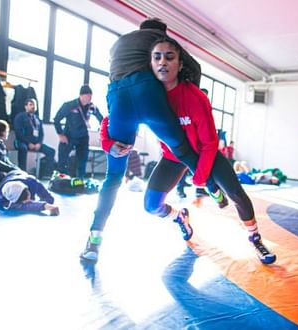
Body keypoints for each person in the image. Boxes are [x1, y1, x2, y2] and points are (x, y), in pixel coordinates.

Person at [83, 37, 276, 265]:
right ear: (150, 64)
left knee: (236, 194)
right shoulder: (149, 94)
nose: (163, 62)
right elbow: (114, 118)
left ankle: (255, 238)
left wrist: (202, 177)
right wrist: (107, 144)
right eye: (157, 58)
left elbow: (210, 143)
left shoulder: (195, 97)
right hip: (173, 158)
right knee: (151, 206)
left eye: (169, 57)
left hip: (204, 154)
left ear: (180, 64)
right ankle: (180, 217)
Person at [80, 18, 207, 262]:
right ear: (162, 36)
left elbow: (111, 110)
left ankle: (94, 238)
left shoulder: (119, 46)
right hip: (148, 98)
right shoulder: (161, 46)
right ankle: (212, 192)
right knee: (184, 152)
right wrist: (190, 96)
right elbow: (195, 67)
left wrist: (107, 144)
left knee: (114, 177)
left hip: (119, 102)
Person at [53, 85, 103, 178]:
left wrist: (104, 130)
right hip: (68, 135)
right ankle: (61, 181)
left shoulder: (92, 107)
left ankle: (80, 181)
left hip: (83, 137)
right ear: (82, 95)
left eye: (91, 97)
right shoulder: (69, 105)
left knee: (82, 161)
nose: (90, 99)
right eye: (88, 96)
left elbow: (101, 119)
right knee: (62, 160)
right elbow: (56, 120)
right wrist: (60, 134)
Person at [14, 98, 55, 176]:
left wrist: (39, 143)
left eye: (34, 105)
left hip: (36, 143)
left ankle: (46, 173)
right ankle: (22, 173)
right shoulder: (20, 117)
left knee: (51, 151)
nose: (33, 106)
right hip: (22, 142)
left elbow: (41, 134)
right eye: (30, 104)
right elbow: (18, 132)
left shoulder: (37, 118)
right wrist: (28, 143)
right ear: (25, 106)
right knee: (23, 148)